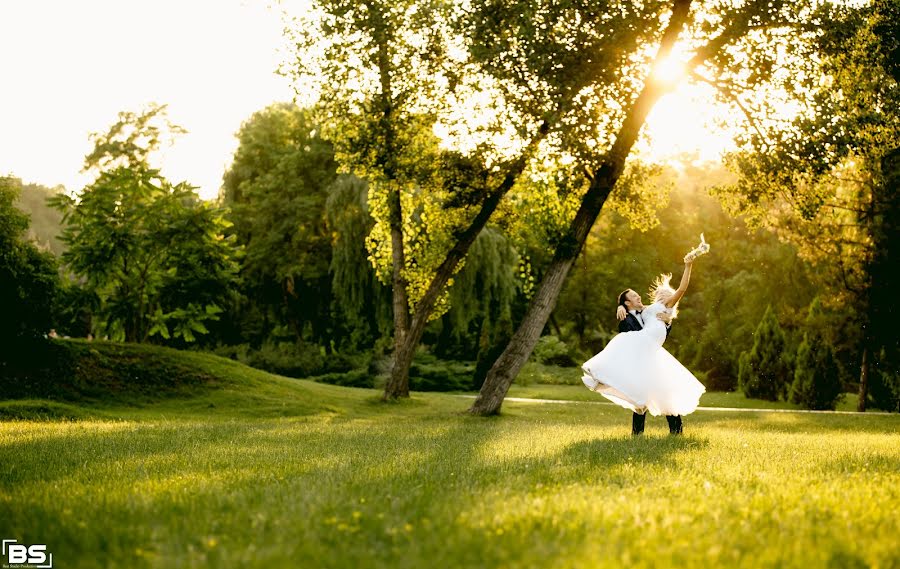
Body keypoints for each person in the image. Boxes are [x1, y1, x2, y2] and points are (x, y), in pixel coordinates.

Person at [581, 236, 709, 435]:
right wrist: (620, 307)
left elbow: (683, 289)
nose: (666, 295)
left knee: (663, 389)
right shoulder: (645, 310)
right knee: (640, 389)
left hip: (652, 349)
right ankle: (604, 379)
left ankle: (676, 432)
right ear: (628, 303)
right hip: (642, 345)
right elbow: (632, 315)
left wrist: (688, 265)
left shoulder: (663, 309)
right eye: (632, 296)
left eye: (667, 294)